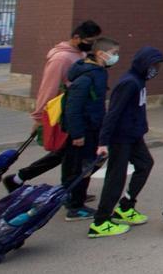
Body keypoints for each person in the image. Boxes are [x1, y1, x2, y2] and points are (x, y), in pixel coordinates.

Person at [5, 20, 101, 193]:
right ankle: (70, 194)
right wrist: (39, 117)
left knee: (65, 154)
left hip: (75, 112)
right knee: (69, 153)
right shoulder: (61, 58)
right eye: (89, 41)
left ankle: (18, 178)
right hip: (66, 113)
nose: (91, 45)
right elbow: (48, 88)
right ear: (76, 37)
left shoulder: (79, 54)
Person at [88, 46, 163, 238]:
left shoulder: (139, 81)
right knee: (116, 177)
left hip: (134, 135)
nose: (155, 69)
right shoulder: (129, 83)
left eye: (158, 66)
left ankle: (126, 206)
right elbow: (113, 113)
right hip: (120, 137)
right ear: (143, 64)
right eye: (153, 65)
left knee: (145, 164)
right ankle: (100, 221)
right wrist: (103, 142)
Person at [62, 37, 119, 221]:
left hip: (93, 127)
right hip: (84, 131)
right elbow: (73, 107)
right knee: (82, 167)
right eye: (114, 54)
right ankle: (75, 206)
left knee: (87, 165)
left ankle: (73, 196)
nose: (116, 57)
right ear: (101, 54)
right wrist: (77, 133)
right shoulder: (87, 77)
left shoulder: (98, 72)